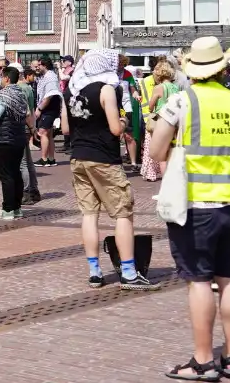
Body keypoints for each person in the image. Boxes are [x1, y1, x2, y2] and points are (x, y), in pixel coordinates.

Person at [147, 37, 230, 381]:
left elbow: (155, 151)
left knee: (199, 282)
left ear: (192, 70)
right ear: (225, 69)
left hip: (196, 205)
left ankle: (204, 361)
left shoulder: (183, 101)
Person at [62, 49, 159, 292]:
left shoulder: (71, 91)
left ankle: (94, 271)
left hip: (78, 158)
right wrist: (125, 121)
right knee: (123, 213)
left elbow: (64, 128)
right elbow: (116, 129)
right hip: (104, 158)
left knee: (89, 214)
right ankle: (128, 271)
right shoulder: (106, 90)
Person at [0, 66, 33, 220]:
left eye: (1, 77)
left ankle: (7, 209)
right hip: (19, 138)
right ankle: (17, 207)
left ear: (6, 78)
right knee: (15, 172)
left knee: (5, 174)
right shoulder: (20, 94)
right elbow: (27, 115)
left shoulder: (3, 95)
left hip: (3, 139)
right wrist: (32, 129)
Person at [141, 61, 180, 183]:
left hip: (159, 120)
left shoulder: (158, 88)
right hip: (173, 120)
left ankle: (154, 174)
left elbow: (151, 106)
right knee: (169, 150)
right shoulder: (176, 87)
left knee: (153, 149)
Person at [15, 68, 41, 205]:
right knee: (29, 161)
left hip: (22, 125)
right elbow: (31, 109)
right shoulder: (29, 89)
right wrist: (33, 127)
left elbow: (26, 111)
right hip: (29, 124)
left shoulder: (18, 89)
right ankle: (34, 190)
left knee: (23, 162)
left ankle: (26, 193)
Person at [33, 58, 62, 167]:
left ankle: (44, 159)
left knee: (43, 132)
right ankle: (51, 159)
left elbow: (49, 95)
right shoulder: (47, 76)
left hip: (49, 109)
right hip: (51, 109)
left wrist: (40, 109)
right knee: (49, 134)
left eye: (39, 65)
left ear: (45, 65)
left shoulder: (50, 77)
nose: (37, 67)